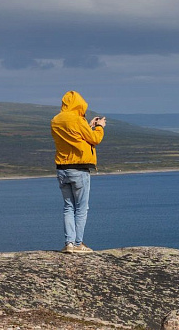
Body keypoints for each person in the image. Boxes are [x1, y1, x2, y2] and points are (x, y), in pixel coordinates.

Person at [50, 90, 106, 254]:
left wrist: (88, 125)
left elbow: (73, 136)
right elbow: (94, 139)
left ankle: (68, 243)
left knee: (68, 207)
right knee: (81, 208)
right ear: (79, 104)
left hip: (62, 169)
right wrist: (99, 127)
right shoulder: (77, 119)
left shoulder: (56, 120)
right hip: (79, 169)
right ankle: (78, 243)